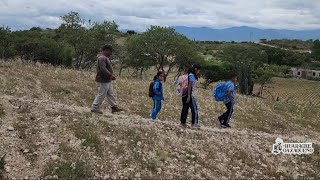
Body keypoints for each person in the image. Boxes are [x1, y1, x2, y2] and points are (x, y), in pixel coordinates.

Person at [91, 44, 123, 114]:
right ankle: (95, 107)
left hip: (107, 80)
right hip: (102, 80)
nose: (111, 53)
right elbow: (103, 68)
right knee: (101, 94)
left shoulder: (105, 57)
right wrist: (110, 75)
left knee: (110, 93)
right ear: (106, 50)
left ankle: (114, 107)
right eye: (110, 51)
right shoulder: (102, 58)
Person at [180, 64, 201, 129]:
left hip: (184, 94)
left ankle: (182, 122)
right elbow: (189, 86)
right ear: (196, 69)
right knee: (194, 109)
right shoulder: (192, 76)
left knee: (185, 108)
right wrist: (189, 96)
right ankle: (194, 124)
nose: (199, 72)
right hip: (189, 95)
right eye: (199, 70)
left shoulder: (188, 74)